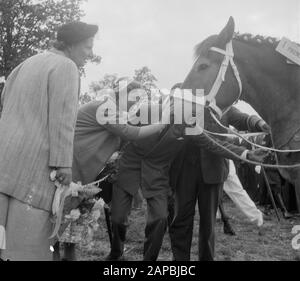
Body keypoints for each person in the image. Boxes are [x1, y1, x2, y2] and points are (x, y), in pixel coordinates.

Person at [107, 92, 269, 261]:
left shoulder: (188, 123)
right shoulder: (147, 110)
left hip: (158, 173)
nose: (193, 113)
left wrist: (247, 154)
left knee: (161, 219)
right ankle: (121, 252)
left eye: (195, 109)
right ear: (175, 102)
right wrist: (108, 158)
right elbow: (120, 132)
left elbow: (213, 143)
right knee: (121, 219)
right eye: (189, 107)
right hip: (134, 167)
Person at [0, 21, 98, 260]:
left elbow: (5, 103)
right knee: (25, 248)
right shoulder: (66, 67)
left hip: (4, 161)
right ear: (72, 45)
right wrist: (63, 164)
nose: (90, 53)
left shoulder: (26, 63)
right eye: (87, 47)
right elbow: (63, 120)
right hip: (35, 169)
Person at [53, 78, 169, 260]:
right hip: (70, 165)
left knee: (74, 217)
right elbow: (131, 133)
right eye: (134, 98)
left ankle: (68, 256)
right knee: (57, 217)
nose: (135, 103)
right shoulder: (104, 107)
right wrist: (162, 124)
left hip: (86, 173)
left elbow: (123, 142)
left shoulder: (118, 114)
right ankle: (51, 253)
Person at [168, 106, 270, 261]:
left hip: (213, 172)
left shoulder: (224, 105)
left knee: (208, 224)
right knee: (180, 221)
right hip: (184, 171)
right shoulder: (187, 103)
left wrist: (260, 123)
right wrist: (245, 153)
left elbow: (242, 118)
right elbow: (205, 139)